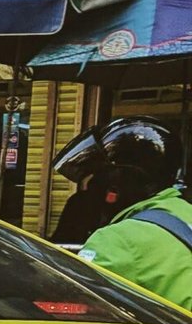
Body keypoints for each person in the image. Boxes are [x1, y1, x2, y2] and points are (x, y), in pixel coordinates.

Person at [70, 119, 192, 310]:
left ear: (118, 180)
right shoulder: (186, 213)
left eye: (98, 176)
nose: (92, 187)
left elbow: (78, 304)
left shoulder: (117, 239)